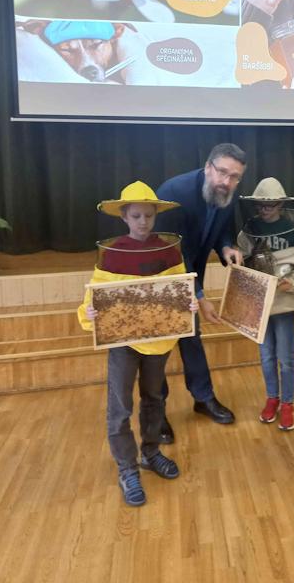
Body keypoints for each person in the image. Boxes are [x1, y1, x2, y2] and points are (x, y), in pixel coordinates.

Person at [77, 181, 198, 506]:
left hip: (157, 341)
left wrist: (188, 303)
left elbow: (179, 288)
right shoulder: (113, 253)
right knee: (120, 407)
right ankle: (127, 468)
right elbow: (95, 295)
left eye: (148, 215)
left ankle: (150, 452)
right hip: (123, 344)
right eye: (136, 216)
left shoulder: (168, 250)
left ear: (156, 215)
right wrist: (91, 310)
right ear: (124, 217)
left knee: (154, 398)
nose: (143, 222)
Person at [155, 143, 246, 440]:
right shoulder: (173, 193)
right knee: (158, 350)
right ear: (208, 167)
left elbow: (222, 228)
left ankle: (203, 399)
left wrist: (227, 247)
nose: (227, 182)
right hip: (161, 278)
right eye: (222, 172)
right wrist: (200, 296)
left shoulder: (227, 194)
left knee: (192, 339)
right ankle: (155, 412)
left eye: (234, 177)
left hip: (191, 274)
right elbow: (172, 252)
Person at [237, 178, 294, 431]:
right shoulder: (250, 229)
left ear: (281, 204)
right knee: (266, 356)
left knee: (286, 358)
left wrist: (290, 282)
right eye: (261, 205)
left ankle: (287, 404)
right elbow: (241, 261)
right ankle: (272, 398)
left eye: (270, 205)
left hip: (284, 304)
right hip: (261, 304)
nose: (265, 210)